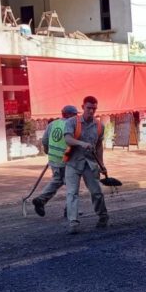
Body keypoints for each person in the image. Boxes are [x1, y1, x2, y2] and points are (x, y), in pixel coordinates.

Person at [62, 96, 109, 234]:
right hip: (73, 163)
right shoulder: (72, 122)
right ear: (82, 107)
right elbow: (68, 139)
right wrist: (81, 143)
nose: (91, 111)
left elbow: (99, 146)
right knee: (72, 193)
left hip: (90, 164)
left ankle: (103, 216)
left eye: (94, 108)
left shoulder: (100, 126)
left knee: (97, 192)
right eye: (89, 108)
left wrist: (102, 164)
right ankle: (73, 222)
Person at [32, 105, 78, 217]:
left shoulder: (53, 124)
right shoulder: (71, 125)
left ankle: (41, 200)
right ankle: (70, 210)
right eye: (75, 114)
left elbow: (44, 140)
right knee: (72, 185)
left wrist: (48, 151)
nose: (77, 117)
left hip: (53, 159)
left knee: (57, 180)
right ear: (69, 115)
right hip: (66, 159)